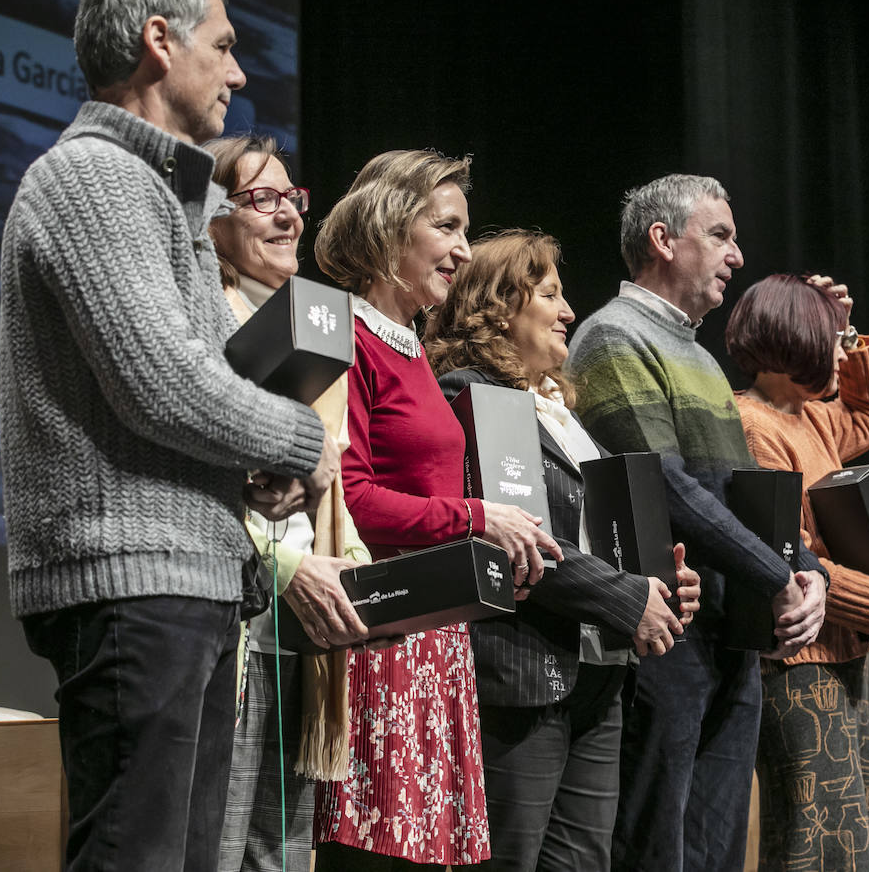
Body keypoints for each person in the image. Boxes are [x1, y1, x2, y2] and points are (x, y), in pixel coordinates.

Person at [0, 0, 350, 868]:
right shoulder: (96, 178)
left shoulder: (159, 193)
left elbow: (184, 383)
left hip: (179, 575)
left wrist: (249, 469)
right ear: (160, 40)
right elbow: (165, 386)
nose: (239, 73)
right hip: (128, 580)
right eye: (225, 46)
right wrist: (301, 443)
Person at [567, 173, 828, 871]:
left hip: (728, 634)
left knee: (715, 852)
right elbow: (667, 491)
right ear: (663, 240)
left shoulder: (701, 357)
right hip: (667, 636)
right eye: (720, 235)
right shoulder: (610, 338)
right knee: (657, 847)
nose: (737, 256)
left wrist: (810, 571)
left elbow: (746, 496)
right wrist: (780, 575)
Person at [311, 151, 562, 869]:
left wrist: (485, 549)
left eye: (464, 230)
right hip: (381, 638)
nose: (461, 249)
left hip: (436, 642)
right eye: (445, 227)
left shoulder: (414, 349)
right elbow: (349, 496)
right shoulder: (346, 335)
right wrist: (478, 521)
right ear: (389, 229)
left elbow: (429, 494)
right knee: (376, 856)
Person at [426, 227, 703, 870]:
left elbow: (596, 530)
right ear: (500, 308)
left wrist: (659, 583)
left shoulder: (557, 409)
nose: (569, 312)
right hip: (522, 670)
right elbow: (521, 536)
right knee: (510, 860)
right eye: (550, 295)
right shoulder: (470, 395)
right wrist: (626, 595)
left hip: (596, 670)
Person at [725, 272, 869, 872]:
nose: (842, 351)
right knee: (815, 843)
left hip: (839, 654)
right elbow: (790, 557)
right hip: (796, 667)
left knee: (857, 834)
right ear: (794, 340)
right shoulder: (755, 426)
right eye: (830, 339)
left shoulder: (808, 415)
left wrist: (846, 323)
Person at [206, 134, 375, 872]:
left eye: (291, 198)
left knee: (280, 853)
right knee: (215, 845)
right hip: (237, 615)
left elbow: (333, 490)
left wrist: (357, 576)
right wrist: (286, 563)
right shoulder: (205, 322)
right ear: (210, 216)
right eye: (260, 199)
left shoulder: (315, 330)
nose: (287, 217)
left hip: (306, 630)